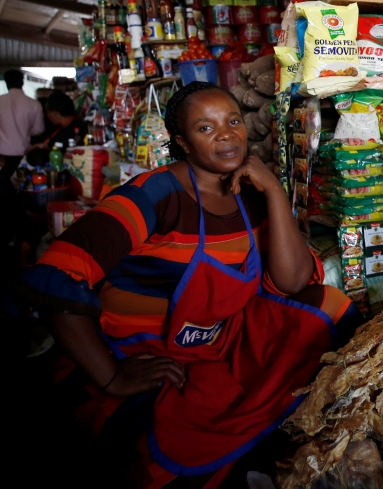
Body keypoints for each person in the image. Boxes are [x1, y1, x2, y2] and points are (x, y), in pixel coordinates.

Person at [22, 81, 363, 486]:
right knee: (166, 446)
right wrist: (113, 376)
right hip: (146, 351)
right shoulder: (153, 195)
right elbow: (55, 277)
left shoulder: (250, 193)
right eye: (205, 128)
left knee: (328, 305)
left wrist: (273, 189)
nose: (225, 134)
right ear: (181, 141)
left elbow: (291, 282)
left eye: (233, 121)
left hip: (219, 340)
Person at [0, 69, 45, 186]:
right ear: (22, 82)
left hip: (2, 155)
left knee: (4, 186)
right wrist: (26, 130)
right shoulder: (34, 104)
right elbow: (39, 130)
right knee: (24, 186)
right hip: (25, 154)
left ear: (6, 83)